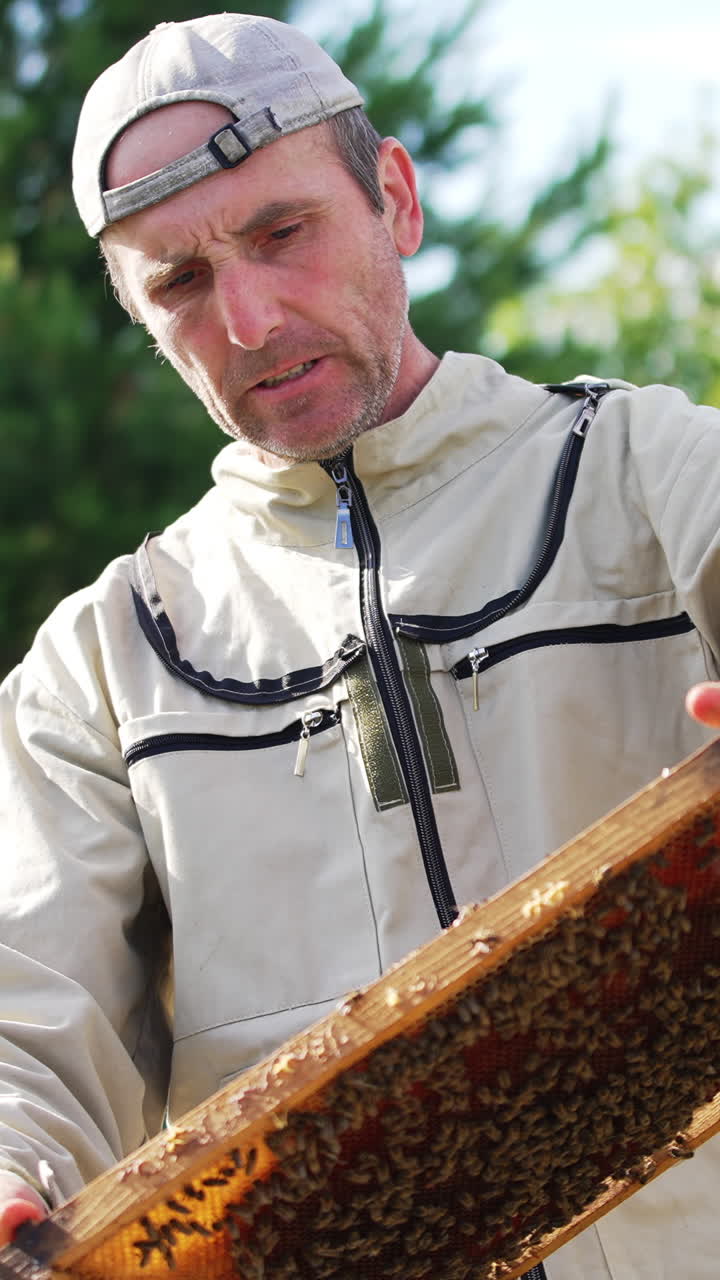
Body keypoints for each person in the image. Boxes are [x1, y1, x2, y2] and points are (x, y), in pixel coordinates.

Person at [1, 12, 720, 1277]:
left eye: (283, 232)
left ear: (392, 195)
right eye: (178, 280)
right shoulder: (100, 665)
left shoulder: (657, 472)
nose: (250, 315)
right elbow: (24, 1008)